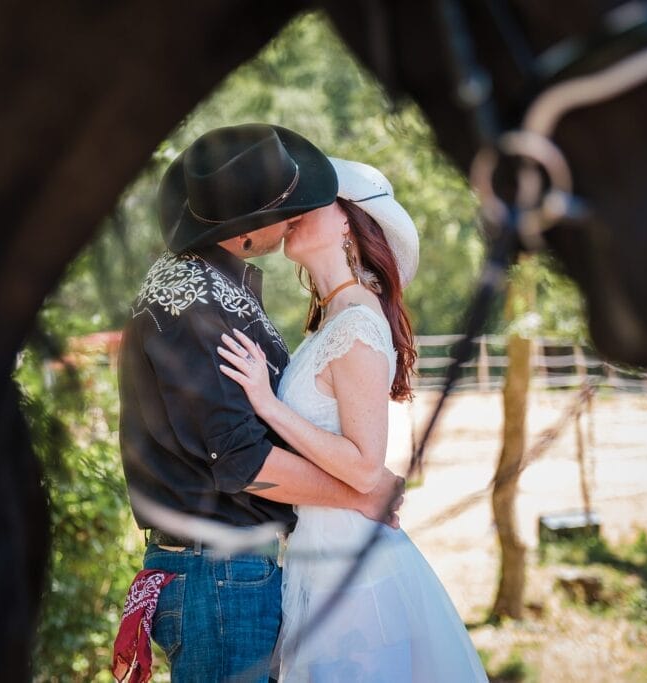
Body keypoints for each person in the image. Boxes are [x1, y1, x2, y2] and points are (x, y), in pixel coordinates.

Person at [116, 125, 405, 683]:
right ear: (244, 232)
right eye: (287, 208)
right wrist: (360, 494)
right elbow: (242, 461)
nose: (297, 212)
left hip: (226, 574)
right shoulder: (193, 304)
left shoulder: (215, 291)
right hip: (217, 577)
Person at [219, 157, 489, 681]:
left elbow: (367, 469)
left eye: (311, 201)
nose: (292, 213)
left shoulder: (358, 324)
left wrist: (267, 403)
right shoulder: (333, 321)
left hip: (350, 568)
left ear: (348, 219)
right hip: (323, 548)